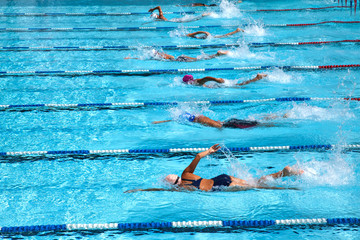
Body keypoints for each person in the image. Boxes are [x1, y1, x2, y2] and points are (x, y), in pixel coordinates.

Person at [125, 144, 303, 193]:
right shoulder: (185, 174)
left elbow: (156, 189)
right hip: (221, 177)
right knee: (254, 181)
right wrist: (209, 151)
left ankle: (289, 186)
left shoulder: (181, 189)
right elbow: (197, 157)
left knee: (257, 187)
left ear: (174, 184)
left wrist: (139, 189)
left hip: (221, 187)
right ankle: (283, 173)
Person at [152, 111, 284, 129]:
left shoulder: (200, 119)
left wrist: (220, 132)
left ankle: (281, 121)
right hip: (230, 121)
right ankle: (278, 117)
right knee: (256, 121)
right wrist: (161, 122)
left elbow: (217, 126)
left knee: (259, 125)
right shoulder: (198, 117)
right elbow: (174, 119)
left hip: (231, 124)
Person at [125, 50, 229, 62]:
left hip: (180, 59)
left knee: (199, 60)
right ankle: (216, 55)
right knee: (199, 59)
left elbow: (143, 59)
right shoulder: (163, 55)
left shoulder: (162, 57)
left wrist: (131, 58)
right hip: (180, 57)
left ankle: (216, 55)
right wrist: (131, 58)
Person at [182, 73, 267, 87]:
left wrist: (216, 80)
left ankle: (257, 78)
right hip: (219, 84)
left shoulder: (196, 82)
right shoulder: (195, 82)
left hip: (220, 83)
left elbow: (206, 78)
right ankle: (257, 78)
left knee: (240, 85)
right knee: (239, 85)